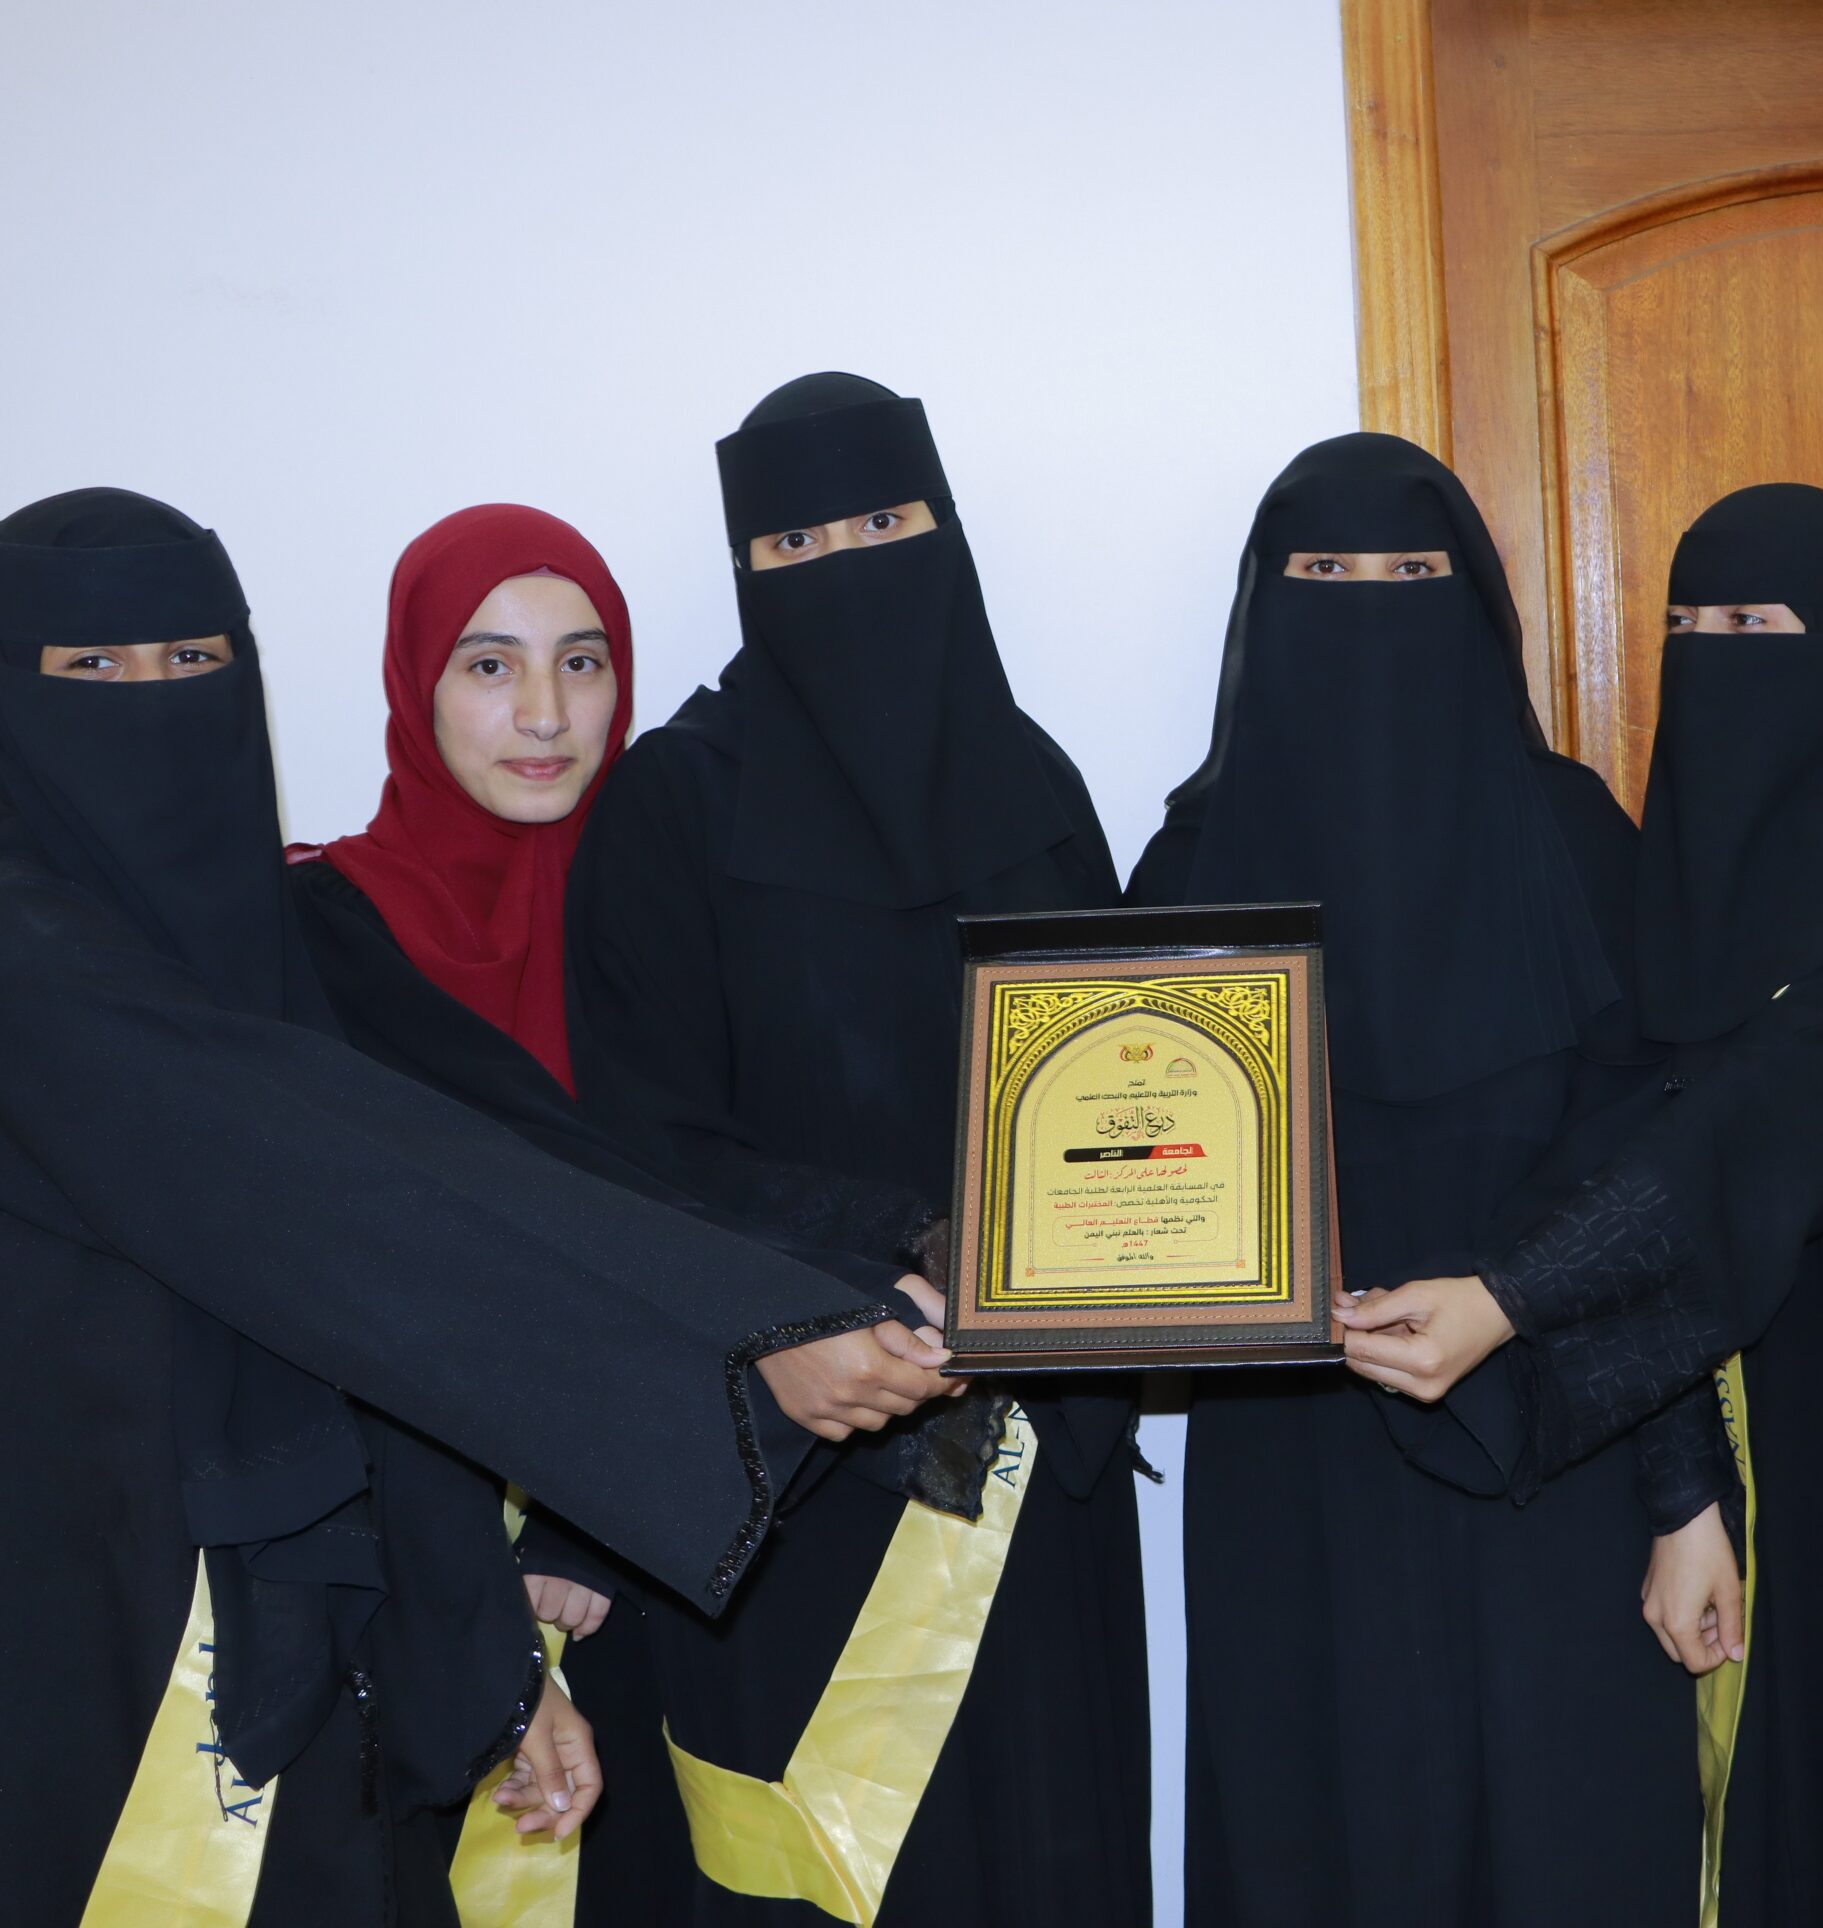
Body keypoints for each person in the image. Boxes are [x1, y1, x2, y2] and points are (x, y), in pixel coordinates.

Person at [0, 490, 924, 1924]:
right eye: (93, 668)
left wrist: (485, 1655)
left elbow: (428, 1257)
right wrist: (741, 1341)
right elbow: (369, 1197)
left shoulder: (276, 946)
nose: (153, 700)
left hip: (294, 1624)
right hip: (77, 1625)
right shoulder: (40, 965)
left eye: (192, 661)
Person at [1351, 484, 1823, 1926]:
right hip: (1764, 1435)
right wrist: (1684, 1495)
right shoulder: (1675, 888)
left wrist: (1511, 1297)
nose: (1717, 658)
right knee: (1774, 1834)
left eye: (1758, 623)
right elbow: (1642, 1140)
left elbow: (1764, 1119)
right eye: (1689, 626)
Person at [283, 502, 970, 1920]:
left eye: (582, 662)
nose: (544, 714)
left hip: (697, 1541)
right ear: (416, 682)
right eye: (489, 665)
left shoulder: (689, 915)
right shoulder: (317, 934)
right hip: (422, 1556)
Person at [566, 375, 1147, 1925]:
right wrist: (889, 1250)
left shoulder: (1037, 790)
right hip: (801, 1457)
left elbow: (1125, 1094)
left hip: (1039, 1481)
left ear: (943, 531)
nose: (847, 565)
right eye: (798, 542)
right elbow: (643, 1144)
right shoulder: (675, 805)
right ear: (747, 570)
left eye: (885, 522)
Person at [1127, 432, 1703, 1927]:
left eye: (1410, 571)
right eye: (1326, 572)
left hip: (1549, 1452)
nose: (1368, 605)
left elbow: (1657, 1191)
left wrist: (1687, 1497)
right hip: (1290, 1483)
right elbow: (1119, 1184)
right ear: (1269, 602)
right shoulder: (1191, 865)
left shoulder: (1574, 839)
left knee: (1564, 1845)